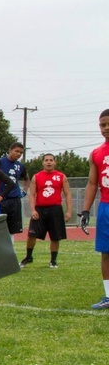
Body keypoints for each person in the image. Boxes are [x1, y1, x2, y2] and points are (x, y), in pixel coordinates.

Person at [20, 154, 71, 268]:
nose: (48, 162)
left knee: (55, 236)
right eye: (46, 160)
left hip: (55, 209)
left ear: (55, 162)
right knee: (32, 234)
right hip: (40, 209)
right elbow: (32, 194)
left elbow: (67, 194)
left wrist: (68, 211)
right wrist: (33, 210)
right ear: (43, 162)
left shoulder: (61, 176)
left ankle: (53, 261)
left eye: (51, 160)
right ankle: (28, 257)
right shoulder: (37, 177)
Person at [81, 109, 109, 309]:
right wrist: (85, 210)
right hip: (106, 207)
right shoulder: (96, 153)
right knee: (106, 252)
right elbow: (92, 184)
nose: (106, 128)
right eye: (102, 125)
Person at [0, 142, 28, 243]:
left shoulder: (20, 166)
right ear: (10, 150)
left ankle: (11, 252)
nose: (19, 154)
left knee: (12, 229)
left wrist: (24, 191)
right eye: (16, 151)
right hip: (1, 200)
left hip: (14, 200)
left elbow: (26, 178)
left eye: (21, 152)